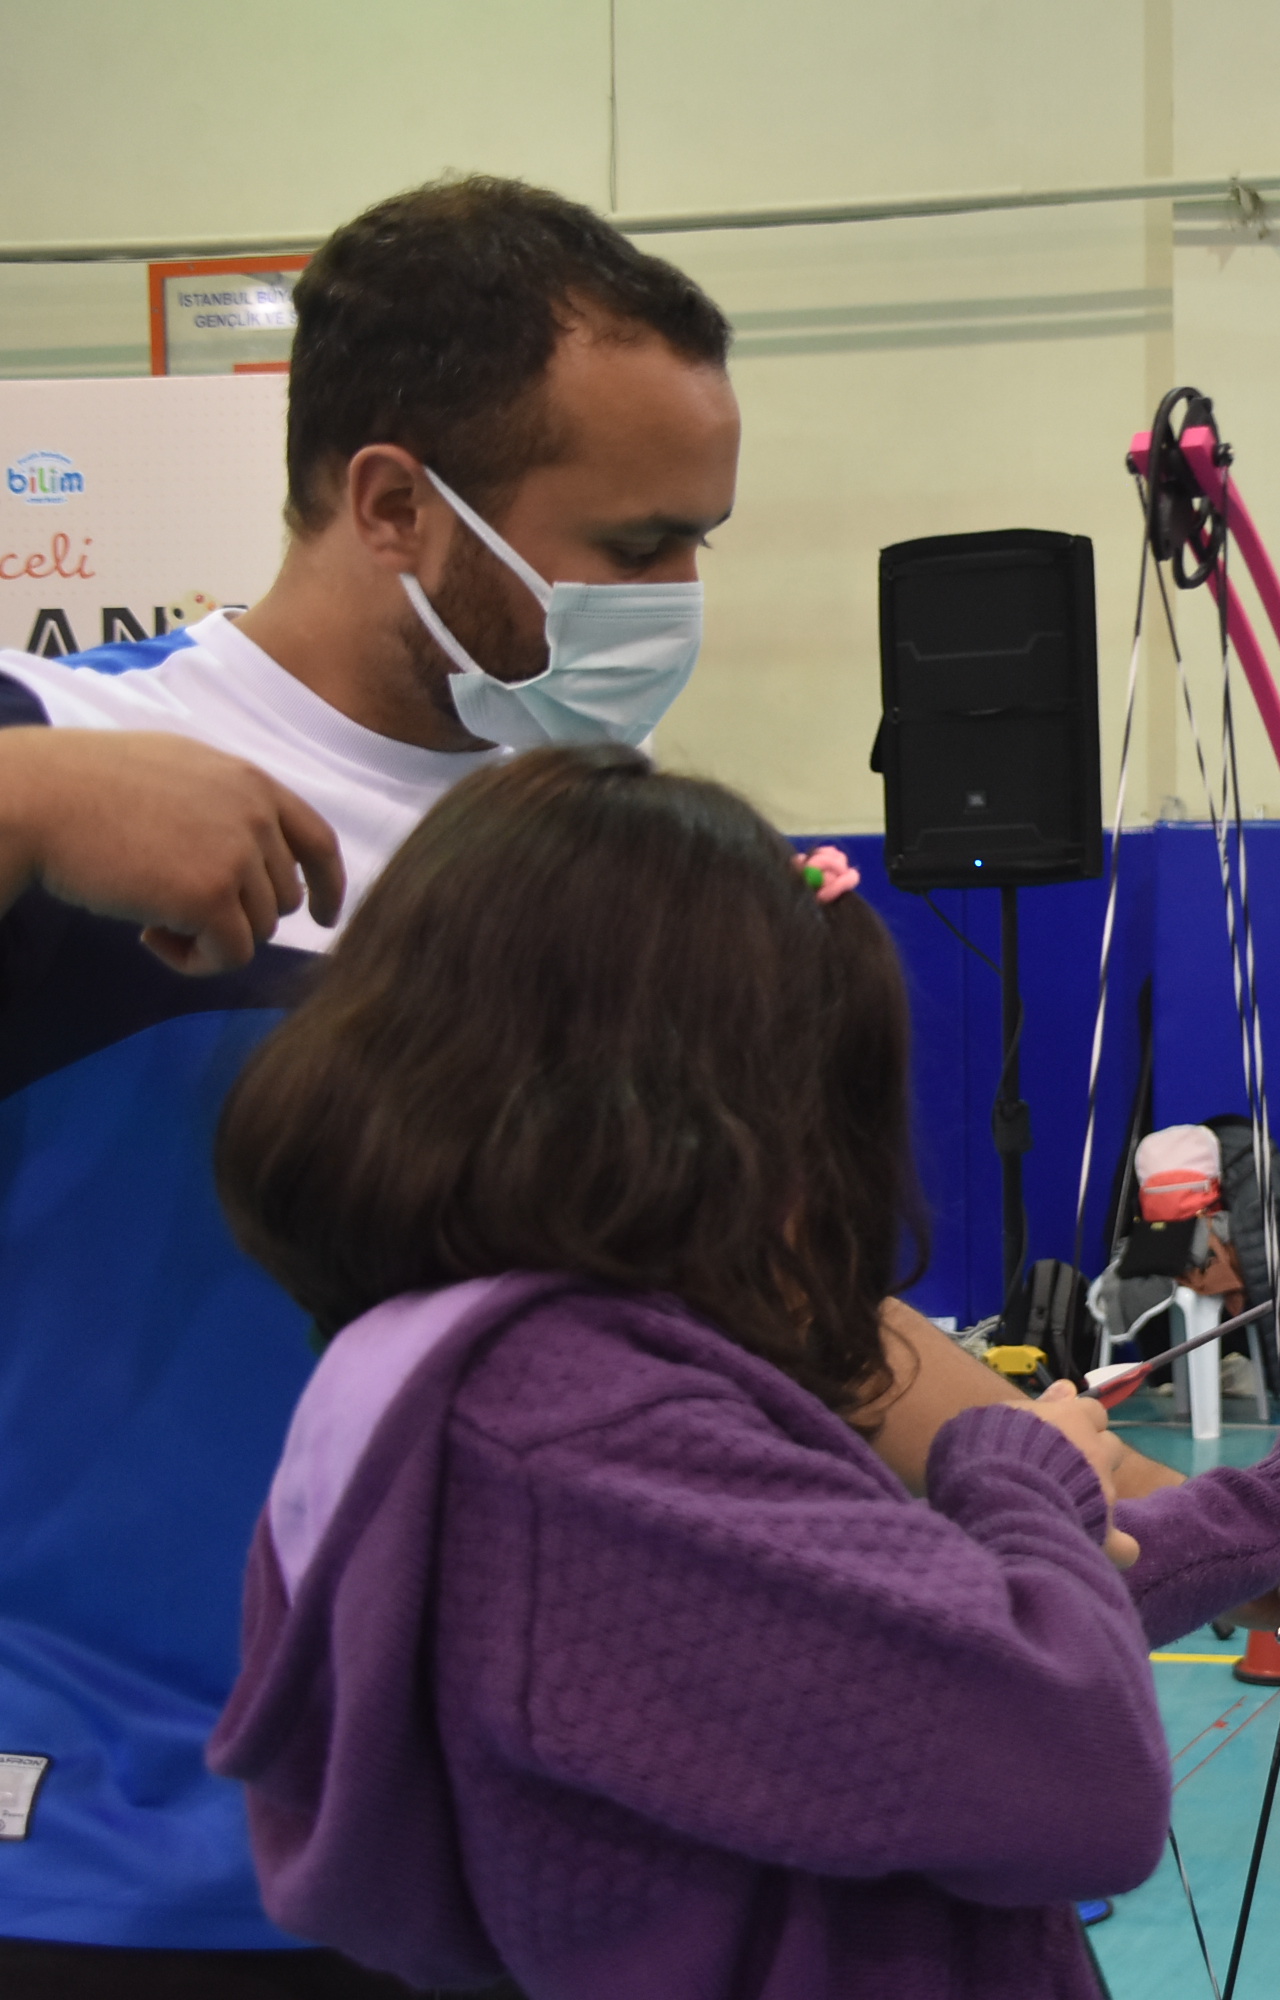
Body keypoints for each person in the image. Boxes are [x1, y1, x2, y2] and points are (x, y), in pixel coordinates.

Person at [205, 746, 1280, 2000]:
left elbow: (910, 1640)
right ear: (671, 1106)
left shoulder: (481, 1369)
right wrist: (1026, 1473)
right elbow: (1079, 1769)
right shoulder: (575, 1429)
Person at [0, 175, 738, 1993]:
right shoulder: (75, 746)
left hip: (507, 1849)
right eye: (635, 544)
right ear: (394, 501)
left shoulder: (620, 871)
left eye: (701, 542)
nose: (679, 600)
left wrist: (1034, 1459)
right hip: (106, 1859)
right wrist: (23, 804)